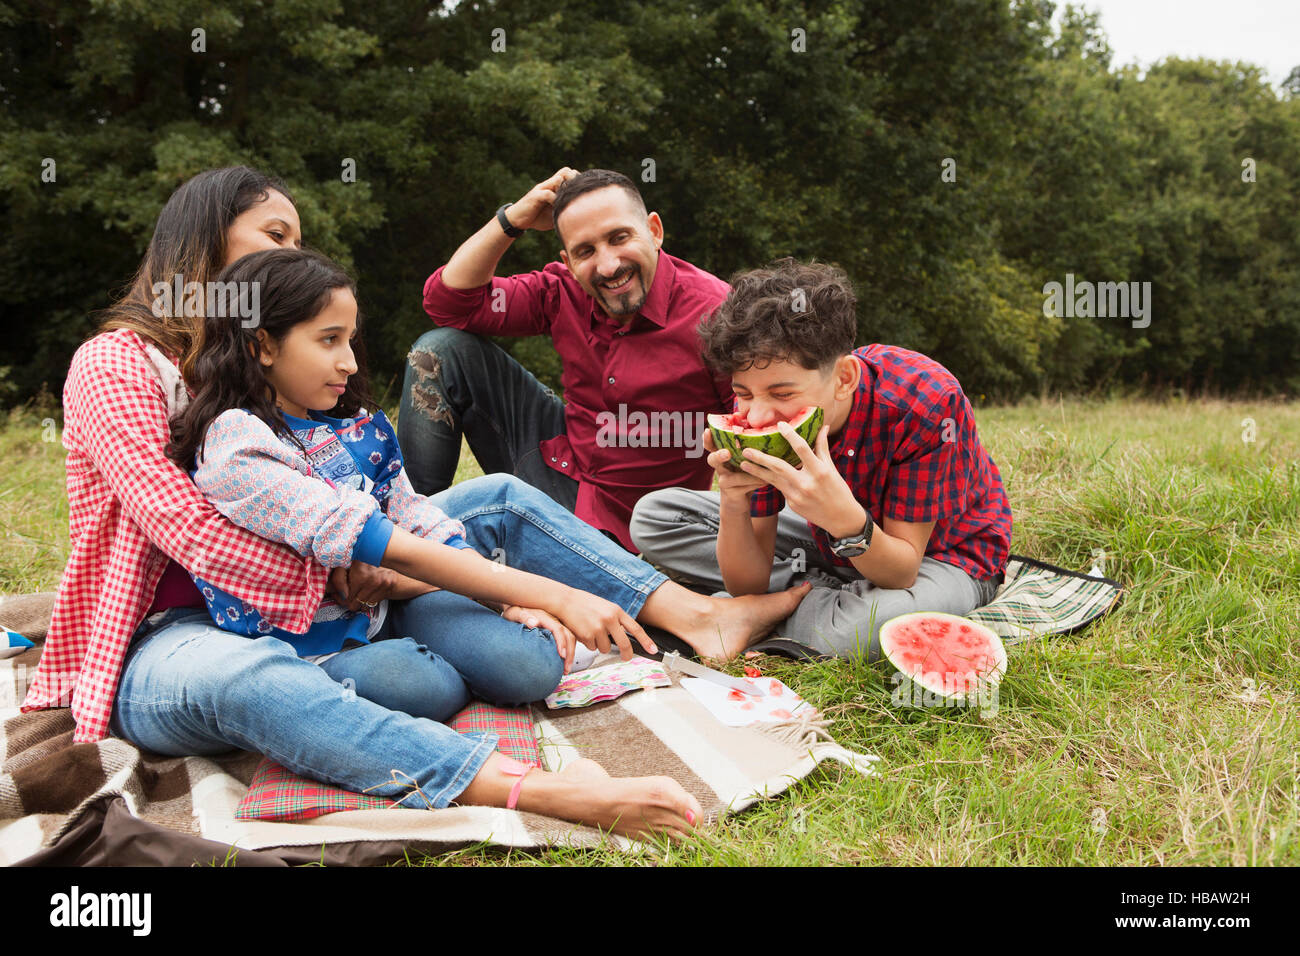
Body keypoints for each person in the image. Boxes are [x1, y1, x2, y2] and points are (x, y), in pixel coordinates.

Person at [23, 166, 806, 838]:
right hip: (183, 628)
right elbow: (191, 529)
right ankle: (524, 784)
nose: (292, 254)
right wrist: (388, 574)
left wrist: (418, 569)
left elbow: (373, 496)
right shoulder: (117, 362)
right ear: (204, 244)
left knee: (497, 499)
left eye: (296, 240)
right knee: (246, 680)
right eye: (273, 236)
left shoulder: (274, 365)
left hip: (348, 584)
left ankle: (695, 614)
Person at [630, 259, 1013, 661]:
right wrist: (732, 500)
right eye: (743, 394)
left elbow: (901, 572)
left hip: (940, 558)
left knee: (852, 635)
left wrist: (842, 518)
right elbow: (748, 583)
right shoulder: (763, 399)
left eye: (782, 395)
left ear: (844, 378)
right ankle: (818, 595)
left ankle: (766, 609)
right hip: (823, 540)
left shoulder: (926, 401)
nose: (758, 417)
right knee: (654, 516)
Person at [399, 167, 734, 551]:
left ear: (654, 231)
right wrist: (512, 220)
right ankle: (414, 536)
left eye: (619, 238)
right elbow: (448, 303)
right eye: (586, 251)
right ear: (569, 261)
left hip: (641, 525)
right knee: (439, 350)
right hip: (558, 468)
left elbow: (753, 424)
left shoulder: (718, 314)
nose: (609, 266)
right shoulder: (563, 291)